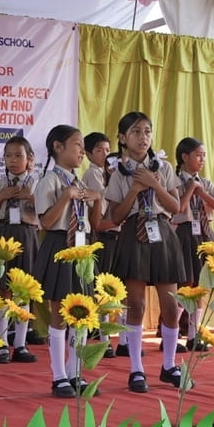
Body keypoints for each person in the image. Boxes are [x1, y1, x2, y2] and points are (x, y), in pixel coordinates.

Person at [105, 112, 188, 393]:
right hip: (133, 233)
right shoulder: (118, 172)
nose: (143, 138)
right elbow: (115, 216)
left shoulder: (162, 168)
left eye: (147, 132)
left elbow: (176, 208)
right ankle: (136, 369)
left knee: (170, 305)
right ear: (122, 138)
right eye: (136, 132)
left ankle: (169, 365)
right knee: (136, 305)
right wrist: (135, 190)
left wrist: (154, 184)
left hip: (162, 232)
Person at [34, 125, 102, 398]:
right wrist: (65, 196)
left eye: (83, 144)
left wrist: (96, 198)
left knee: (82, 313)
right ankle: (58, 375)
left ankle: (76, 371)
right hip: (59, 244)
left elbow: (93, 223)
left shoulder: (81, 182)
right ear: (58, 147)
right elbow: (46, 222)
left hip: (82, 246)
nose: (81, 150)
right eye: (76, 144)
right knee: (60, 312)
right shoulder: (49, 180)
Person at [0, 136, 39, 364]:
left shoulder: (36, 182)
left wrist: (31, 197)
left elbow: (47, 213)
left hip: (27, 234)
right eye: (8, 156)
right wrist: (0, 198)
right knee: (2, 291)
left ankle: (21, 345)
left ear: (30, 159)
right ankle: (2, 344)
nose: (13, 161)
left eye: (19, 156)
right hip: (3, 235)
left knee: (24, 292)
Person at [172, 137, 214, 350]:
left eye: (204, 155)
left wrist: (201, 191)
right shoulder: (174, 180)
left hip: (204, 233)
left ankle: (194, 335)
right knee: (184, 285)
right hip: (183, 233)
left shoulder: (206, 182)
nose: (202, 159)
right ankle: (172, 333)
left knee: (201, 286)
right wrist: (190, 189)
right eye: (198, 155)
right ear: (184, 157)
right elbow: (177, 208)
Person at [83, 132, 121, 359]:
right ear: (88, 154)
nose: (106, 155)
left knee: (118, 286)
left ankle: (120, 338)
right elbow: (103, 204)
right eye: (100, 150)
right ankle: (103, 337)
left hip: (116, 233)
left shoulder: (109, 175)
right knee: (103, 288)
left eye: (108, 150)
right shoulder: (93, 175)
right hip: (101, 233)